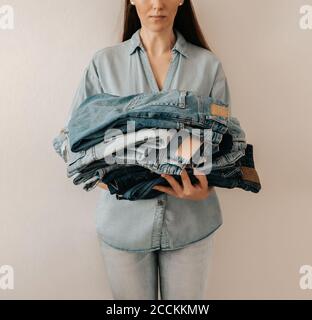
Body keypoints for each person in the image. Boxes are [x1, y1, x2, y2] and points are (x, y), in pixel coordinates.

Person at [65, 0, 232, 299]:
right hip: (122, 227)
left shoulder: (208, 65)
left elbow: (222, 143)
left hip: (192, 226)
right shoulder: (103, 64)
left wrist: (203, 189)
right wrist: (115, 181)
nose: (156, 5)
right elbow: (74, 141)